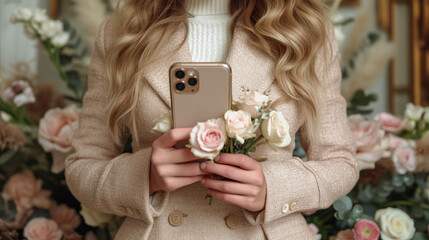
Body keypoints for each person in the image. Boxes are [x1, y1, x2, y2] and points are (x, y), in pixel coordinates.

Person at [64, 0, 359, 239]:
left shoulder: (305, 31)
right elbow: (83, 166)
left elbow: (340, 162)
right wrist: (144, 176)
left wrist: (273, 187)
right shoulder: (122, 33)